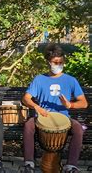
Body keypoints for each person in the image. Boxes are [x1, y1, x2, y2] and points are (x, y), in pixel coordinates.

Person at [21, 44, 88, 173]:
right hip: (43, 116)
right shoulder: (39, 79)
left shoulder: (71, 80)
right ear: (48, 62)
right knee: (28, 125)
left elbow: (84, 103)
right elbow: (25, 98)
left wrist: (70, 105)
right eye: (55, 62)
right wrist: (37, 107)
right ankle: (29, 164)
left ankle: (71, 166)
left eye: (61, 62)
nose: (58, 65)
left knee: (78, 128)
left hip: (64, 118)